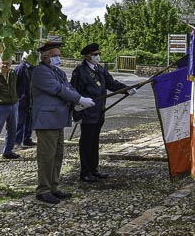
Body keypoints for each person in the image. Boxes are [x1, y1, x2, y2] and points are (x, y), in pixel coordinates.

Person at [31, 42, 95, 205]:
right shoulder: (41, 72)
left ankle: (54, 187)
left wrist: (78, 100)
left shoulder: (57, 71)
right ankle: (43, 190)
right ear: (45, 57)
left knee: (57, 156)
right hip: (46, 121)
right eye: (55, 56)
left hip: (57, 120)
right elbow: (58, 89)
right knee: (46, 157)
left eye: (59, 55)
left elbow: (69, 87)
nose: (58, 58)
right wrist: (79, 99)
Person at [70, 43, 136, 183]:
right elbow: (74, 92)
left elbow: (112, 83)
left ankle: (94, 169)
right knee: (86, 142)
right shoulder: (79, 71)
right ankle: (85, 171)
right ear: (87, 56)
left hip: (99, 112)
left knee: (94, 141)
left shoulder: (100, 69)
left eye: (98, 54)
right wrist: (76, 114)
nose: (97, 56)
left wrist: (127, 89)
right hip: (87, 113)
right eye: (95, 54)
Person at [0, 56, 20, 162]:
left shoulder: (13, 73)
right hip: (0, 106)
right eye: (3, 63)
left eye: (7, 63)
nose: (5, 65)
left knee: (13, 129)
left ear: (11, 63)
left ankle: (8, 151)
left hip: (13, 104)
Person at [15, 51, 36, 149]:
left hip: (31, 99)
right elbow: (15, 84)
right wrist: (19, 97)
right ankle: (17, 142)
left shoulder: (33, 69)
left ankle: (27, 139)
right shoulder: (20, 69)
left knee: (30, 121)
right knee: (20, 122)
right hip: (22, 100)